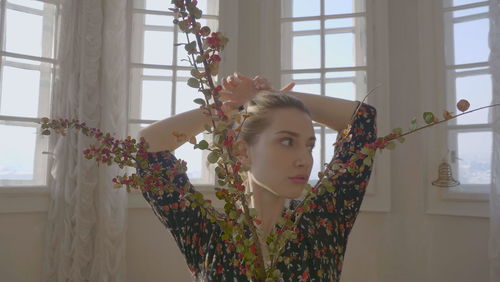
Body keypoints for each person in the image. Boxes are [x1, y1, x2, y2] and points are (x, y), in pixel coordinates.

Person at [137, 73, 377, 281]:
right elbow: (149, 148)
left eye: (309, 145)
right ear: (243, 152)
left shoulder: (323, 223)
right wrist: (225, 107)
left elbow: (362, 120)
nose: (305, 159)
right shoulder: (209, 234)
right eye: (286, 141)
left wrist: (272, 98)